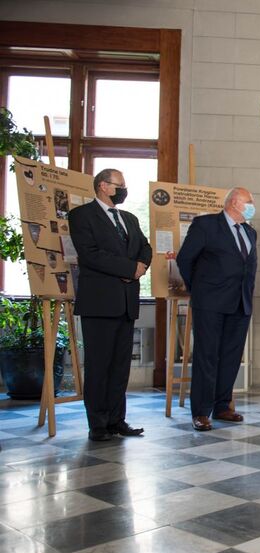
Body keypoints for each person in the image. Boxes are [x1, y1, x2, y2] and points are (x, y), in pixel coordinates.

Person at [68, 168, 152, 441]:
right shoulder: (81, 216)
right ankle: (98, 424)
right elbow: (90, 255)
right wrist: (129, 269)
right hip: (99, 303)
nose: (124, 190)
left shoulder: (129, 218)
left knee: (119, 367)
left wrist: (141, 266)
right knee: (99, 366)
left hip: (126, 303)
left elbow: (145, 248)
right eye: (120, 185)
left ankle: (117, 420)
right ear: (103, 186)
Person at [176, 187, 257, 431]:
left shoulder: (250, 232)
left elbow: (247, 268)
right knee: (207, 356)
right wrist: (198, 288)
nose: (252, 206)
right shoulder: (206, 225)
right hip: (210, 302)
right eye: (249, 202)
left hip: (240, 303)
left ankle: (223, 406)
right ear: (234, 202)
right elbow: (185, 259)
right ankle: (201, 411)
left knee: (231, 357)